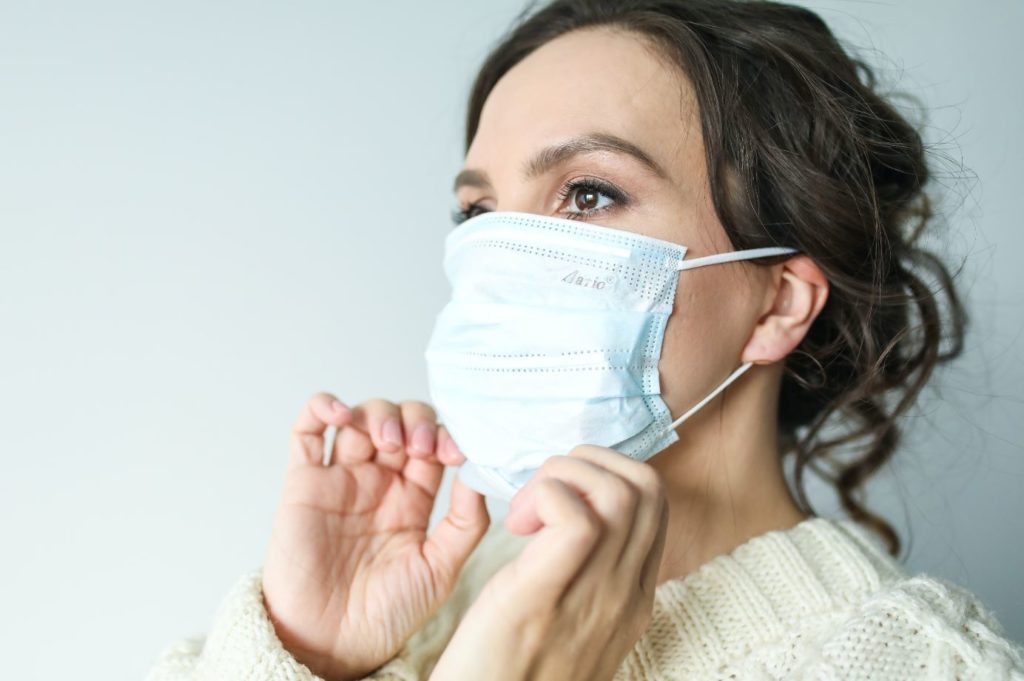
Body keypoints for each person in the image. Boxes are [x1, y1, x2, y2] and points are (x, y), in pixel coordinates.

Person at [145, 1, 1024, 679]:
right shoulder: (405, 600)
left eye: (589, 193)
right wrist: (307, 652)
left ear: (778, 304)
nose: (501, 256)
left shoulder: (921, 664)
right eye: (480, 212)